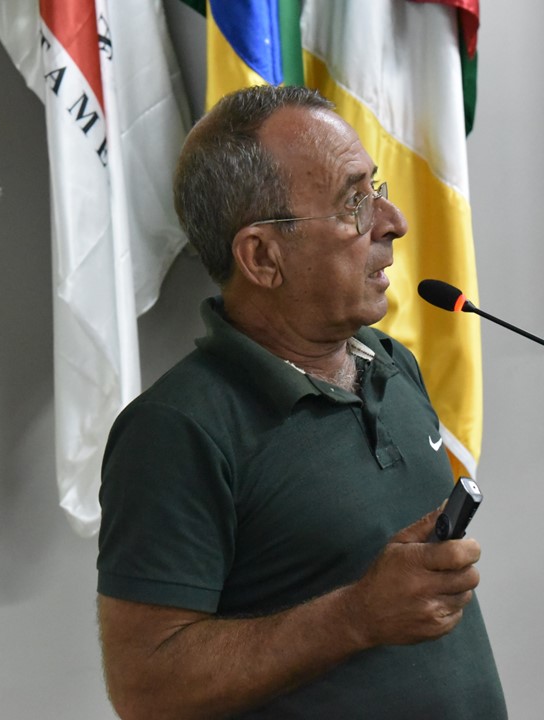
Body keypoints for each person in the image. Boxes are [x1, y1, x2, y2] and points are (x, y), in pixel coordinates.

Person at [95, 85, 507, 719]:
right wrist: (355, 616)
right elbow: (146, 689)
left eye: (377, 190)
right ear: (263, 256)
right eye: (352, 203)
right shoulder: (176, 429)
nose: (392, 223)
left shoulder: (392, 364)